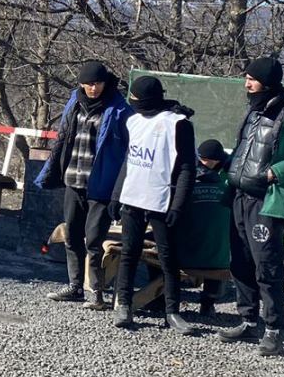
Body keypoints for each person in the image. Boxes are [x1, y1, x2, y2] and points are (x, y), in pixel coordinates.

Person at [221, 55, 284, 356]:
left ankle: (274, 329)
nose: (246, 83)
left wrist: (272, 173)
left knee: (267, 265)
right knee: (240, 262)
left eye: (251, 78)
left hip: (268, 201)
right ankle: (248, 321)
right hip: (239, 195)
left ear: (267, 81)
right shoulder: (252, 112)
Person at [34, 60, 131, 308]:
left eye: (97, 84)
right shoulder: (74, 104)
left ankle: (97, 293)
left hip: (100, 185)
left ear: (105, 83)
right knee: (72, 235)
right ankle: (75, 286)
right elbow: (63, 138)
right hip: (73, 179)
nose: (93, 89)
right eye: (88, 84)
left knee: (94, 240)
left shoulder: (119, 110)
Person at [109, 75, 199, 335]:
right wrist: (117, 194)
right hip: (133, 197)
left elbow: (186, 169)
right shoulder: (133, 121)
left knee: (168, 257)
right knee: (129, 253)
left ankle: (173, 312)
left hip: (163, 200)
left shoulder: (177, 124)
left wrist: (178, 204)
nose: (132, 103)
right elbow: (130, 159)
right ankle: (123, 304)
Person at [173, 139, 233, 317]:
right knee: (220, 242)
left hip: (183, 258)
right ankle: (208, 302)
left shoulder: (185, 185)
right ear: (215, 162)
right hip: (219, 261)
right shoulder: (227, 189)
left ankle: (158, 300)